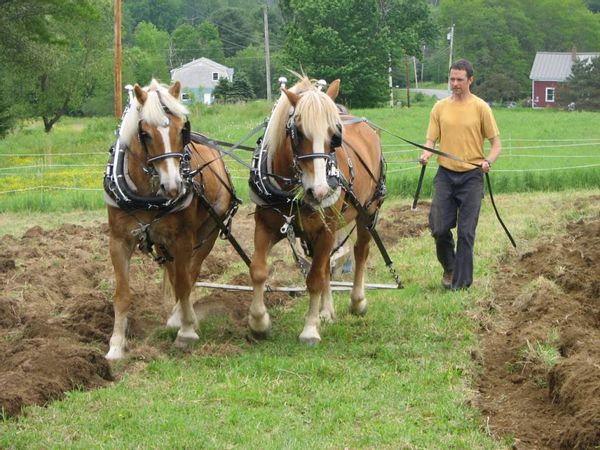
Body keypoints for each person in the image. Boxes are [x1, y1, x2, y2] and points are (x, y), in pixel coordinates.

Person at [419, 59, 501, 290]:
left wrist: (489, 161)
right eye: (452, 79)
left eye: (459, 80)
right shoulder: (439, 107)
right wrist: (425, 154)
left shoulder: (481, 107)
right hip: (445, 174)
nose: (454, 84)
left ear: (470, 80)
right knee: (438, 227)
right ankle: (450, 267)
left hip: (472, 177)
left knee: (466, 233)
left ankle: (461, 284)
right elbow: (430, 140)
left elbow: (496, 144)